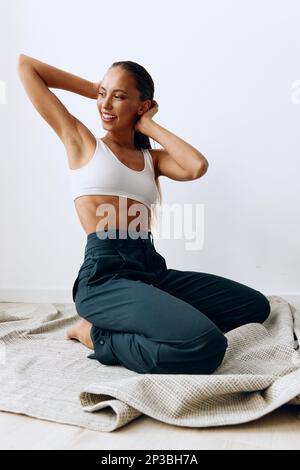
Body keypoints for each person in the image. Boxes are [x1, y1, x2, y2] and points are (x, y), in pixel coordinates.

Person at [17, 55, 271, 374]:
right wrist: (95, 88)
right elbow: (27, 67)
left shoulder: (153, 160)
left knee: (254, 306)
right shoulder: (81, 142)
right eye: (103, 95)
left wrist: (148, 124)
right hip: (105, 275)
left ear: (142, 105)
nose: (106, 104)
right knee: (206, 345)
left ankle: (161, 317)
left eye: (120, 96)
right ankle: (95, 333)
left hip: (151, 270)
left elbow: (197, 166)